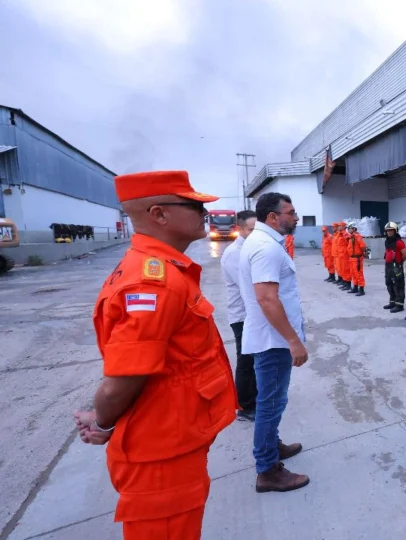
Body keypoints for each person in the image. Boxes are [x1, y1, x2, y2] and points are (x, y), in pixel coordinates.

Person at [73, 170, 236, 538]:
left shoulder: (159, 270)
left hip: (172, 440)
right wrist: (101, 421)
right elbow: (124, 378)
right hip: (161, 455)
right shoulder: (154, 281)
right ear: (159, 214)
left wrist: (102, 416)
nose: (203, 212)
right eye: (193, 205)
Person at [238, 192, 309, 493]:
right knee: (270, 403)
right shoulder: (266, 247)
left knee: (272, 402)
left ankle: (271, 447)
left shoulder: (261, 243)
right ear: (272, 217)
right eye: (290, 212)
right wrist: (293, 340)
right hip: (274, 341)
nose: (295, 217)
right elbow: (267, 299)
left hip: (270, 337)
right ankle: (267, 470)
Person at [222, 210, 259, 421]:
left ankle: (253, 397)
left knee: (254, 359)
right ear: (240, 229)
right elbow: (249, 287)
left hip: (252, 314)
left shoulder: (250, 249)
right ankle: (245, 406)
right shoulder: (234, 254)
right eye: (251, 230)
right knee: (245, 361)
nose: (255, 234)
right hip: (243, 316)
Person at [383, 222, 406, 313]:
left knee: (398, 285)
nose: (389, 233)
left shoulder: (399, 242)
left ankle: (399, 305)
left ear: (395, 231)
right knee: (389, 283)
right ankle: (392, 302)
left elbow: (405, 254)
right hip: (388, 266)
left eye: (391, 231)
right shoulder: (387, 241)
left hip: (396, 266)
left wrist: (399, 263)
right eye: (387, 231)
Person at [347, 221, 367, 296]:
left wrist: (362, 254)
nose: (348, 230)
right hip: (352, 258)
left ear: (353, 228)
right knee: (353, 273)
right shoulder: (351, 237)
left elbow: (363, 246)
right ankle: (355, 287)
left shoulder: (357, 236)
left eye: (349, 228)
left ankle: (361, 289)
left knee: (359, 274)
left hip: (357, 259)